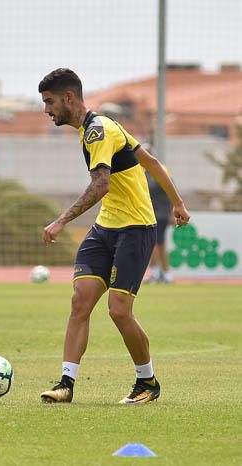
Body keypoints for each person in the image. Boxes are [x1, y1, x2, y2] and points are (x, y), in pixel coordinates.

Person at [37, 69, 190, 404]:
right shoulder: (101, 126)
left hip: (136, 228)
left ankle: (147, 382)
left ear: (69, 98)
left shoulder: (96, 132)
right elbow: (149, 161)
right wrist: (178, 202)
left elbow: (101, 184)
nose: (46, 109)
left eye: (49, 102)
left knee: (119, 310)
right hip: (106, 229)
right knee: (80, 301)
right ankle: (66, 384)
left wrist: (61, 220)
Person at [145, 161, 175, 283]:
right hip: (156, 213)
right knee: (160, 244)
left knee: (155, 244)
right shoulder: (149, 172)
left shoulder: (158, 170)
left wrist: (172, 212)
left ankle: (156, 273)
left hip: (159, 213)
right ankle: (166, 274)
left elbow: (171, 190)